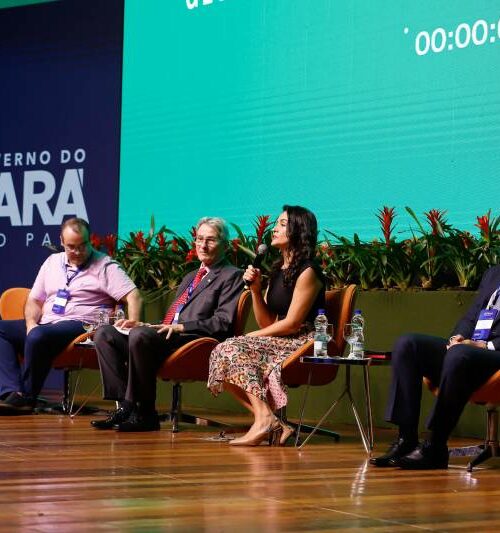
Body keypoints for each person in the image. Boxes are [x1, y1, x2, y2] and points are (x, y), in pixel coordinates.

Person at [91, 216, 243, 432]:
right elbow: (172, 319)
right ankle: (127, 406)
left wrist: (181, 327)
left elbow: (223, 322)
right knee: (105, 334)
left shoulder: (231, 275)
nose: (203, 245)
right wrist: (144, 323)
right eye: (199, 239)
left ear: (225, 245)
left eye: (210, 240)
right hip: (168, 336)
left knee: (140, 336)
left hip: (195, 341)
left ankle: (144, 413)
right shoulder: (191, 276)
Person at [207, 205, 325, 446]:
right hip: (280, 338)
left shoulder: (308, 272)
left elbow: (292, 324)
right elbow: (269, 322)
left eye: (282, 224)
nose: (274, 229)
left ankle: (265, 421)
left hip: (304, 341)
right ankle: (268, 419)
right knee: (222, 352)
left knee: (232, 347)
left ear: (298, 232)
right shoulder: (277, 271)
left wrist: (251, 336)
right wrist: (255, 290)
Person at [0, 217, 142, 414]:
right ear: (61, 241)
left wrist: (133, 322)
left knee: (38, 335)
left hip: (81, 325)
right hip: (46, 323)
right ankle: (11, 392)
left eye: (82, 246)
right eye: (71, 247)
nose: (77, 252)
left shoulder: (105, 265)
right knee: (4, 329)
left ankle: (27, 398)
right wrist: (31, 322)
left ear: (90, 240)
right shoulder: (52, 262)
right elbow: (34, 300)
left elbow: (133, 296)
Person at [371, 264, 500, 470]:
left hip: (494, 353)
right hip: (469, 350)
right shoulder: (494, 272)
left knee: (459, 355)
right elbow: (471, 316)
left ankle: (435, 446)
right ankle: (406, 439)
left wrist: (485, 345)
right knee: (407, 344)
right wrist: (457, 337)